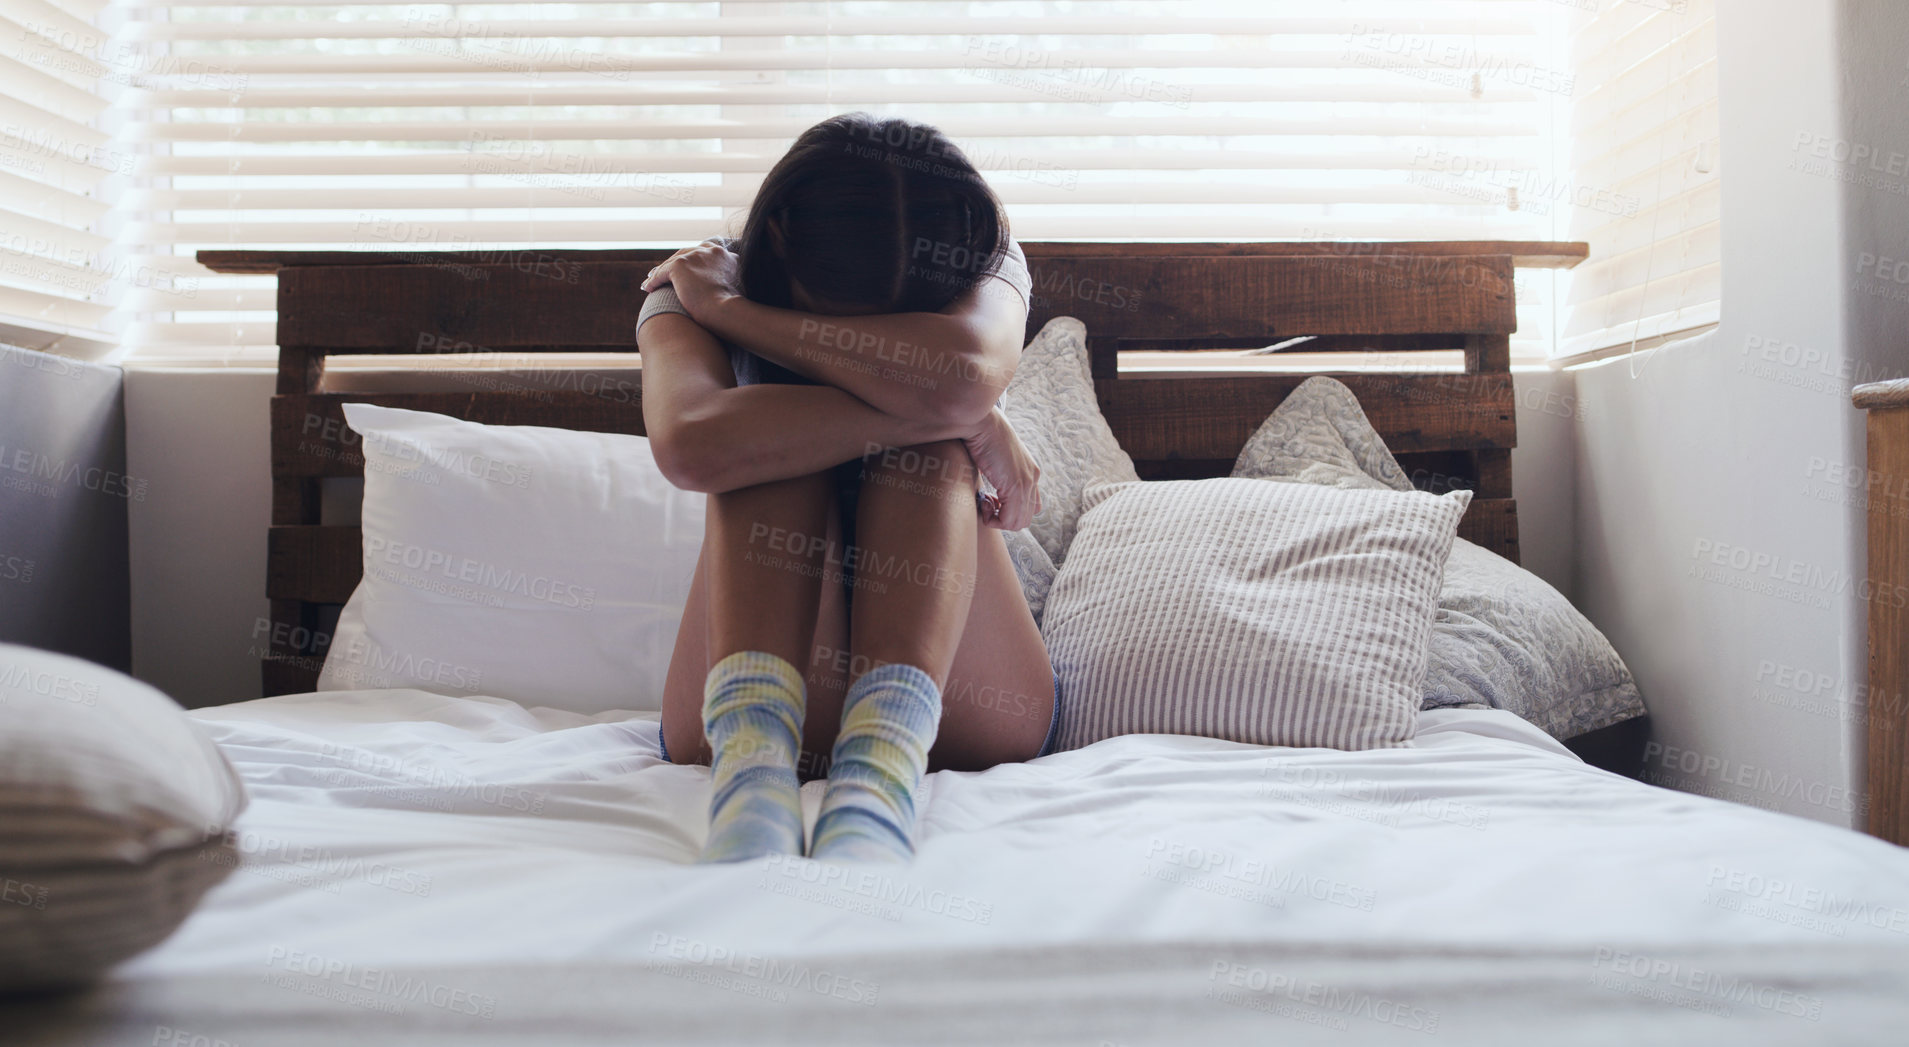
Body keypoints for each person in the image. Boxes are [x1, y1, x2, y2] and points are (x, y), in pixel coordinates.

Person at [636, 113, 1056, 865]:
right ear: (782, 244)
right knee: (761, 447)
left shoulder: (981, 255)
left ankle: (880, 769)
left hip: (965, 698)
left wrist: (737, 317)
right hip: (732, 703)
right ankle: (754, 769)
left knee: (919, 454)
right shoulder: (690, 283)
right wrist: (949, 411)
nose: (874, 344)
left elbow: (959, 376)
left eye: (904, 325)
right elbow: (693, 445)